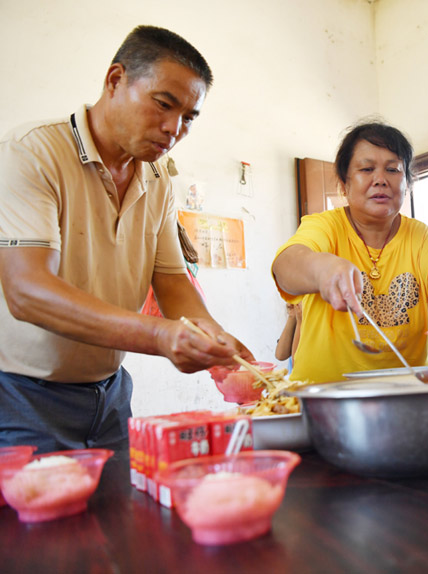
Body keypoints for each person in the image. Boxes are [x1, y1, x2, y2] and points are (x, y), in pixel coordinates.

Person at [0, 25, 252, 454]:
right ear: (115, 80)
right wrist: (160, 337)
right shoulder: (32, 152)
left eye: (189, 118)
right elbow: (27, 291)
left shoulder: (157, 179)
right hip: (23, 397)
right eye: (163, 104)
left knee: (121, 516)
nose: (174, 129)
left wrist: (214, 339)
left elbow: (172, 283)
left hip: (111, 396)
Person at [271, 120, 428, 382]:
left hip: (401, 398)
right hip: (323, 398)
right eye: (367, 168)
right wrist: (322, 268)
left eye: (393, 170)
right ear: (344, 183)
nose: (380, 180)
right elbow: (285, 267)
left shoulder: (422, 238)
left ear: (407, 183)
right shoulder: (325, 226)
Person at [275, 302, 302, 371]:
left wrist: (300, 321)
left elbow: (297, 367)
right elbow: (280, 355)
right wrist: (292, 315)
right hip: (293, 379)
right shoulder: (298, 317)